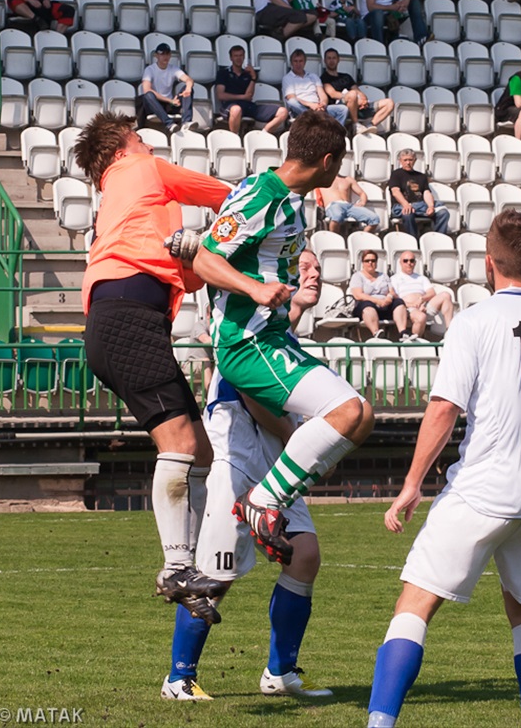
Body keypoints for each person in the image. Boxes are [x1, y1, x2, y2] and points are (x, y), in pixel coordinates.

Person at [366, 210, 521, 728]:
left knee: (414, 604)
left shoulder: (476, 321)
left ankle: (379, 723)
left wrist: (411, 484)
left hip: (483, 488)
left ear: (489, 263)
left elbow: (443, 409)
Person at [190, 111, 374, 567]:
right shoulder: (260, 195)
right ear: (328, 161)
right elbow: (203, 260)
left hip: (274, 339)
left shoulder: (290, 200)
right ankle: (262, 502)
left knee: (361, 415)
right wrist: (254, 289)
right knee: (348, 412)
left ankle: (269, 499)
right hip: (247, 344)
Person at [74, 112, 231, 624]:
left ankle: (195, 562)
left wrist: (204, 253)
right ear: (121, 147)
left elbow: (189, 276)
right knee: (182, 446)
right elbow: (225, 192)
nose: (145, 144)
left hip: (119, 319)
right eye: (139, 138)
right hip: (128, 319)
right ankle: (178, 566)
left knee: (199, 450)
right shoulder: (142, 169)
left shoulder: (128, 202)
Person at [163, 249, 333, 702]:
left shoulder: (286, 333)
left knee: (305, 554)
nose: (315, 273)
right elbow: (251, 391)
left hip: (273, 448)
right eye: (307, 266)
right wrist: (303, 437)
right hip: (234, 440)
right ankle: (179, 678)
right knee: (217, 570)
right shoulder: (256, 321)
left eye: (319, 267)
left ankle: (280, 673)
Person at [214, 43, 288, 135]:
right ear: (231, 58)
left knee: (283, 111)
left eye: (241, 55)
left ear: (244, 57)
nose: (238, 58)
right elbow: (220, 95)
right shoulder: (223, 73)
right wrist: (242, 97)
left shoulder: (248, 74)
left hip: (248, 106)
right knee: (236, 109)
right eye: (236, 56)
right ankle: (234, 138)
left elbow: (249, 96)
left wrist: (253, 77)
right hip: (229, 106)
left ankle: (264, 134)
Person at [320, 47, 394, 134]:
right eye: (329, 58)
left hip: (357, 105)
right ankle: (356, 125)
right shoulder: (324, 77)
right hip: (341, 106)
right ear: (324, 60)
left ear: (338, 60)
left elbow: (357, 90)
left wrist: (363, 100)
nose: (331, 61)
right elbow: (333, 94)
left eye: (334, 58)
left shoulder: (346, 76)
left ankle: (370, 125)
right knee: (352, 94)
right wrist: (353, 98)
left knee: (389, 103)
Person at [388, 150, 450, 240]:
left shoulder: (421, 176)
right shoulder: (396, 174)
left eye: (410, 160)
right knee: (407, 213)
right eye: (405, 160)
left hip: (419, 206)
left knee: (443, 213)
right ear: (400, 161)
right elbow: (395, 191)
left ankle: (438, 240)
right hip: (401, 206)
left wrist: (431, 206)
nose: (408, 163)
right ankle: (414, 241)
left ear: (415, 160)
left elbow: (426, 192)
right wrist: (405, 204)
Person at [390, 254, 454, 339]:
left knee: (446, 295)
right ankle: (414, 341)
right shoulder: (394, 278)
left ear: (415, 263)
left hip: (423, 304)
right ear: (400, 263)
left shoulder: (421, 278)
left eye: (411, 260)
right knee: (421, 317)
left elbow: (431, 293)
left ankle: (449, 330)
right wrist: (411, 305)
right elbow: (394, 296)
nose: (409, 263)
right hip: (407, 308)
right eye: (405, 261)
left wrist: (421, 300)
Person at [348, 251, 409, 341]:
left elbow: (391, 291)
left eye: (373, 260)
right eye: (367, 261)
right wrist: (377, 301)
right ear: (362, 263)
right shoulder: (357, 276)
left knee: (399, 302)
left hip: (385, 306)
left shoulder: (383, 276)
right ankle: (376, 332)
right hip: (365, 308)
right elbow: (358, 295)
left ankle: (403, 333)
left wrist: (389, 298)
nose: (370, 263)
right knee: (367, 305)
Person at [282, 49, 349, 126]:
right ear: (291, 63)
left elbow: (322, 94)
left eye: (301, 61)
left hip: (318, 108)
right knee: (292, 102)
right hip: (302, 109)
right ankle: (315, 118)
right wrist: (311, 105)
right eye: (295, 61)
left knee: (343, 109)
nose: (298, 64)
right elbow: (291, 97)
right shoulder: (287, 78)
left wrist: (322, 104)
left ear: (305, 62)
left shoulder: (313, 76)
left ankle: (336, 134)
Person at [139, 43, 195, 134]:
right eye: (162, 54)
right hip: (154, 104)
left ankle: (186, 122)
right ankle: (169, 123)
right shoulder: (149, 70)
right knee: (148, 95)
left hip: (169, 104)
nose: (165, 56)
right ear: (156, 55)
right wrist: (170, 100)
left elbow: (189, 79)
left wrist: (188, 88)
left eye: (167, 54)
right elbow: (147, 89)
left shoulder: (173, 69)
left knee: (187, 88)